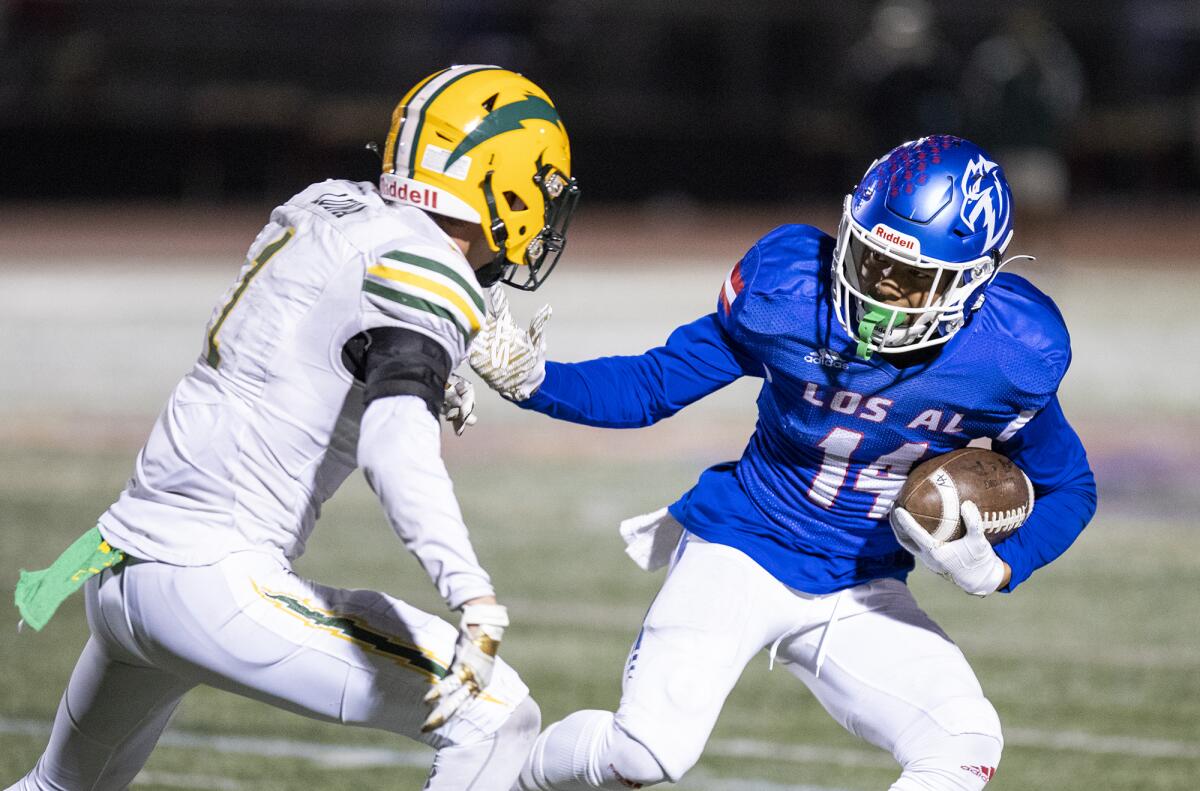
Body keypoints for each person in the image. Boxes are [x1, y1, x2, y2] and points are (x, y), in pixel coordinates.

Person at [7, 63, 579, 791]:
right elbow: (391, 441)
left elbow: (307, 340)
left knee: (56, 787)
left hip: (122, 565)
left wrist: (430, 369)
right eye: (544, 188)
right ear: (505, 184)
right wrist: (472, 594)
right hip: (209, 579)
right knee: (497, 717)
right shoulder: (427, 267)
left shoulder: (327, 204)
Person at [469, 135, 1096, 790]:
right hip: (741, 550)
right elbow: (652, 385)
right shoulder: (791, 294)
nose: (880, 285)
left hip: (862, 583)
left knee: (965, 741)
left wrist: (999, 567)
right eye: (870, 255)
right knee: (647, 752)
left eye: (910, 277)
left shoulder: (1006, 358)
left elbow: (1070, 487)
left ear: (971, 284)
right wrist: (535, 380)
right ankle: (511, 778)